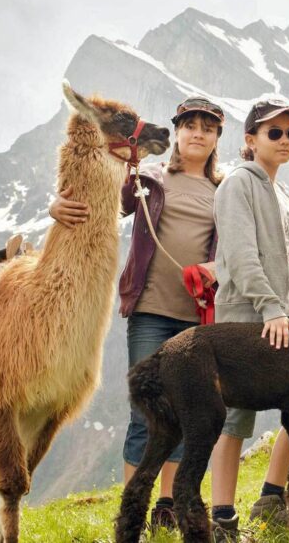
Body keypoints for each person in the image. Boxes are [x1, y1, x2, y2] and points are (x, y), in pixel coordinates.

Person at [49, 96, 225, 530]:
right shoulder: (147, 181)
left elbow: (235, 246)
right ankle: (134, 507)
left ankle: (167, 504)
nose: (197, 133)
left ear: (217, 137)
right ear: (178, 132)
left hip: (196, 316)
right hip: (149, 310)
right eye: (189, 125)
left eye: (207, 126)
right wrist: (57, 207)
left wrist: (216, 269)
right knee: (145, 411)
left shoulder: (224, 193)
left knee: (184, 411)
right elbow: (95, 200)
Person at [207, 99, 289, 541]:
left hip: (283, 318)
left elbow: (288, 264)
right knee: (234, 416)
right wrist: (271, 306)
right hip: (244, 320)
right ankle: (222, 518)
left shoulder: (286, 196)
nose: (284, 140)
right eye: (273, 132)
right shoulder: (236, 185)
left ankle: (272, 498)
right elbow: (239, 257)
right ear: (250, 140)